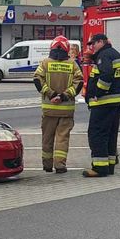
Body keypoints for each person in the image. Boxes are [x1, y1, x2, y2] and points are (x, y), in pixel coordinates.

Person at [33, 36, 82, 174]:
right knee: (62, 138)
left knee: (47, 138)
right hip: (66, 110)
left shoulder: (45, 63)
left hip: (49, 109)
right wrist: (64, 96)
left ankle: (47, 165)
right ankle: (60, 165)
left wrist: (51, 94)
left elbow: (37, 80)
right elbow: (79, 83)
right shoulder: (72, 64)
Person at [83, 33, 120, 178]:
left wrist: (98, 92)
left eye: (93, 43)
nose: (91, 47)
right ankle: (109, 165)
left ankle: (99, 168)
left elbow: (106, 75)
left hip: (103, 102)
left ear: (101, 42)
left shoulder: (104, 55)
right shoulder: (115, 54)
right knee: (110, 134)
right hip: (115, 102)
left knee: (97, 134)